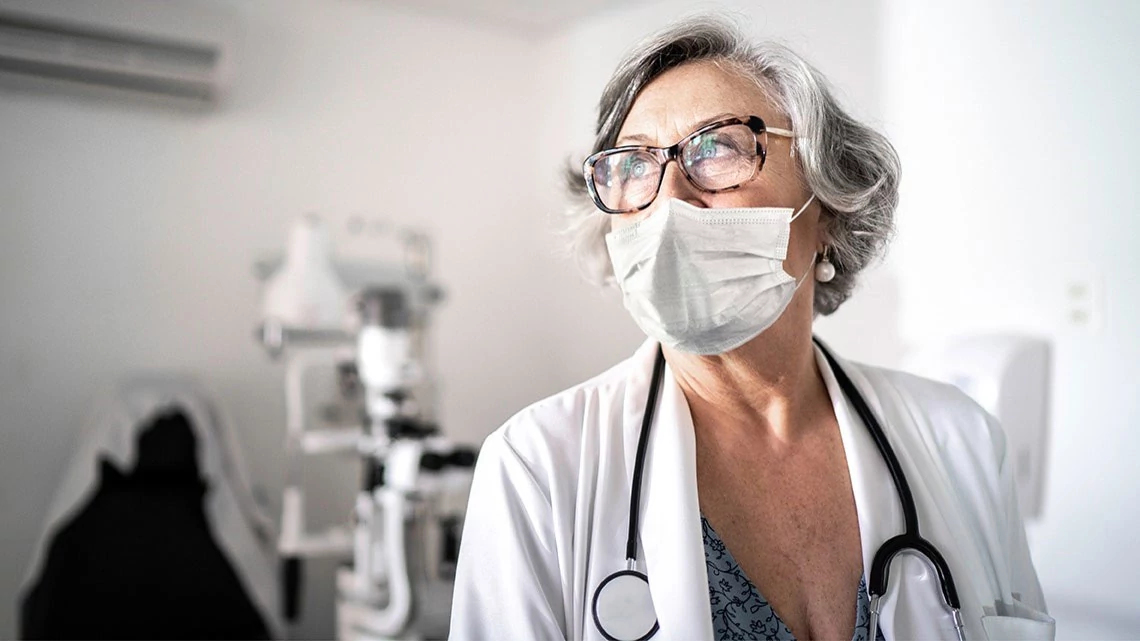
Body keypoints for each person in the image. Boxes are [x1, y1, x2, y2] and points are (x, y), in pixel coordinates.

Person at [450, 15, 1052, 641]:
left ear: (827, 213)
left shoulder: (963, 442)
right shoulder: (536, 467)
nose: (669, 198)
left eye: (717, 148)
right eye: (632, 165)